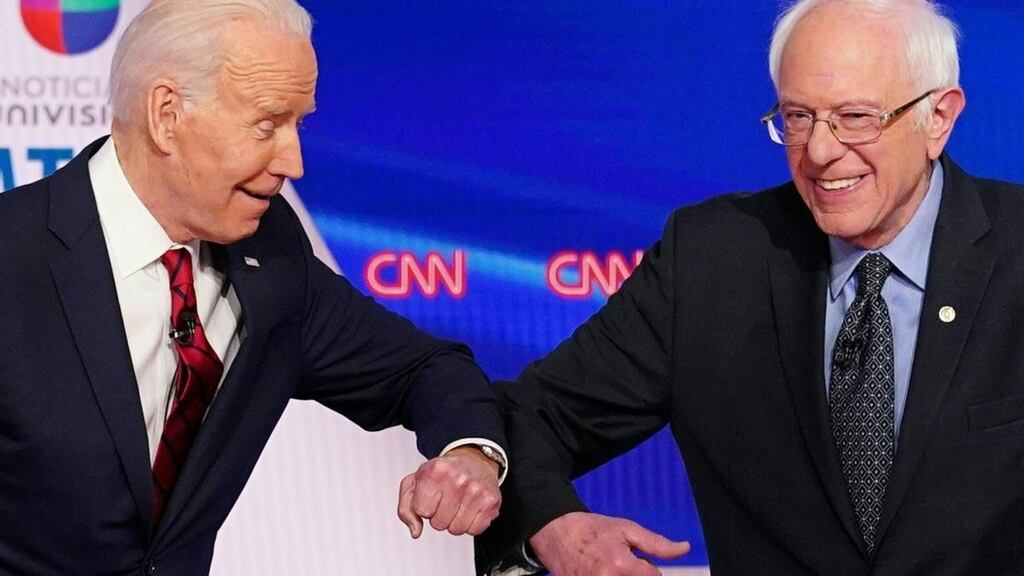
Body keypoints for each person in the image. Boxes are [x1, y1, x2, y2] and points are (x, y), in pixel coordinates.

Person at [476, 0, 1024, 574]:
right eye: (797, 117)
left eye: (856, 118)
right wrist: (554, 525)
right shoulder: (712, 260)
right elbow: (529, 416)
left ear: (938, 117)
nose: (819, 151)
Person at [0, 1, 508, 574]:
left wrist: (471, 453)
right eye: (267, 124)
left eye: (299, 124)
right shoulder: (12, 257)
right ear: (167, 114)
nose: (294, 161)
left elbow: (424, 369)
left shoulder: (270, 254)